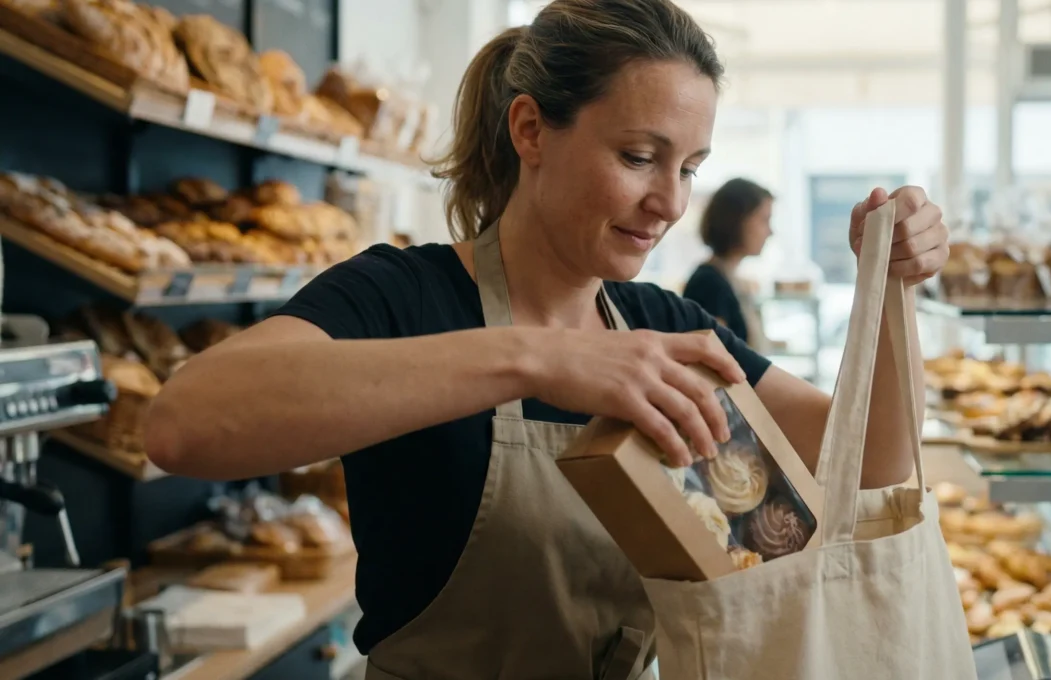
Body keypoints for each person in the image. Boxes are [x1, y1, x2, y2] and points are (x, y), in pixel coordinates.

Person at [142, 0, 951, 677]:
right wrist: (539, 356)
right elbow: (183, 424)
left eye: (691, 168)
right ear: (530, 130)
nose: (669, 201)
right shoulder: (404, 293)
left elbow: (869, 463)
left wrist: (891, 287)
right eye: (640, 156)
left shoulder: (665, 328)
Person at [682, 177, 773, 350]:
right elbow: (714, 356)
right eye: (764, 220)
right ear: (738, 221)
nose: (770, 232)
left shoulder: (731, 279)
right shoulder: (709, 283)